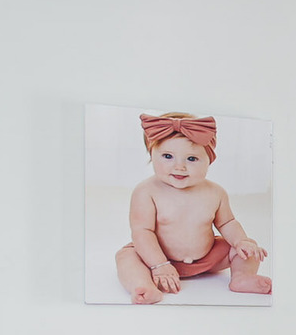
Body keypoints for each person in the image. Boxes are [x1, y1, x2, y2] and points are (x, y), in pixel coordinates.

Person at [115, 113, 271, 302]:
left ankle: (242, 277)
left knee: (246, 246)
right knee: (126, 256)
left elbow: (228, 222)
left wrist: (241, 242)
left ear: (209, 160)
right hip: (156, 259)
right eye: (167, 156)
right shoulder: (146, 191)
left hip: (206, 259)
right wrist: (158, 264)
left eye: (191, 159)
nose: (179, 166)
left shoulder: (215, 192)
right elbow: (142, 232)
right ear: (152, 155)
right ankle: (143, 286)